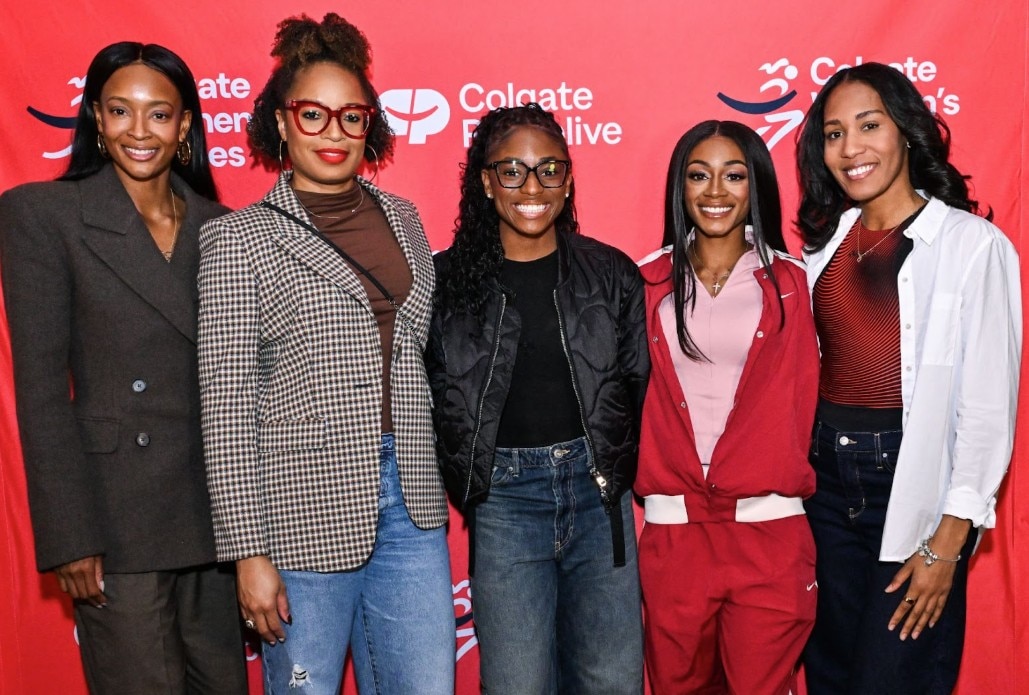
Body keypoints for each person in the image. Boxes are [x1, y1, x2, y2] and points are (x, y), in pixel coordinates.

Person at [197, 13, 454, 695]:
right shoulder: (237, 242)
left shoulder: (403, 218)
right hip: (298, 512)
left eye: (350, 117)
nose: (333, 133)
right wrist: (247, 551)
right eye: (313, 115)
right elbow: (224, 408)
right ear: (280, 122)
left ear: (369, 124)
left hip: (412, 502)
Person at [0, 42, 247, 693]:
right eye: (120, 111)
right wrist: (69, 536)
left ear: (186, 125)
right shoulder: (42, 215)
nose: (140, 131)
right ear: (95, 120)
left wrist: (255, 532)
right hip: (115, 518)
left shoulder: (223, 227)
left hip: (213, 515)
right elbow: (43, 394)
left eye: (159, 114)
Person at [796, 62, 1021, 694]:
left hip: (912, 486)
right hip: (823, 491)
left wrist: (950, 541)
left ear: (906, 130)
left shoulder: (971, 245)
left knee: (894, 680)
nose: (851, 148)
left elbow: (986, 410)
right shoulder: (822, 250)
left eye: (869, 125)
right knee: (832, 676)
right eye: (834, 134)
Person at [427, 103, 648, 695]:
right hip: (504, 505)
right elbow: (437, 402)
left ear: (569, 178)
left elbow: (635, 387)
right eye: (513, 171)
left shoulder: (611, 275)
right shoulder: (444, 282)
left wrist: (612, 470)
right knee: (516, 685)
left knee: (611, 682)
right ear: (485, 181)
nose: (532, 187)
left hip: (599, 499)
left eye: (549, 169)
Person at [635, 120, 819, 694]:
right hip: (675, 535)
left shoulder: (797, 282)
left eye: (734, 175)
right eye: (699, 175)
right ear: (679, 187)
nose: (715, 191)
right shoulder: (644, 281)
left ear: (756, 184)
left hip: (770, 533)